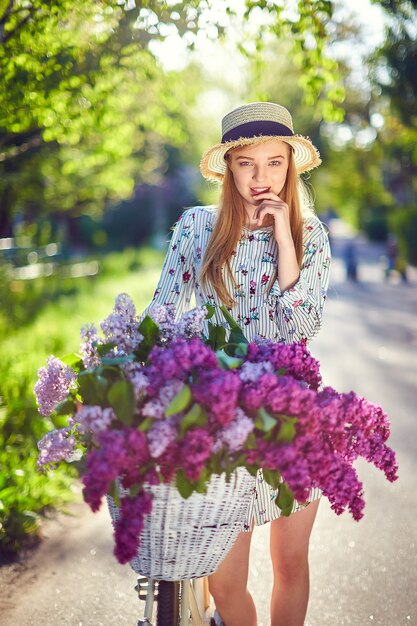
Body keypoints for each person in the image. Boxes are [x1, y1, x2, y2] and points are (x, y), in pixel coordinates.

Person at [142, 102, 331, 626]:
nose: (261, 177)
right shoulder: (196, 228)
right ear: (229, 169)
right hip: (218, 417)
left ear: (290, 166)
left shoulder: (310, 234)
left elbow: (300, 327)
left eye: (274, 163)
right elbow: (161, 314)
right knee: (226, 582)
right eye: (247, 163)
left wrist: (284, 240)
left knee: (290, 561)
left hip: (291, 415)